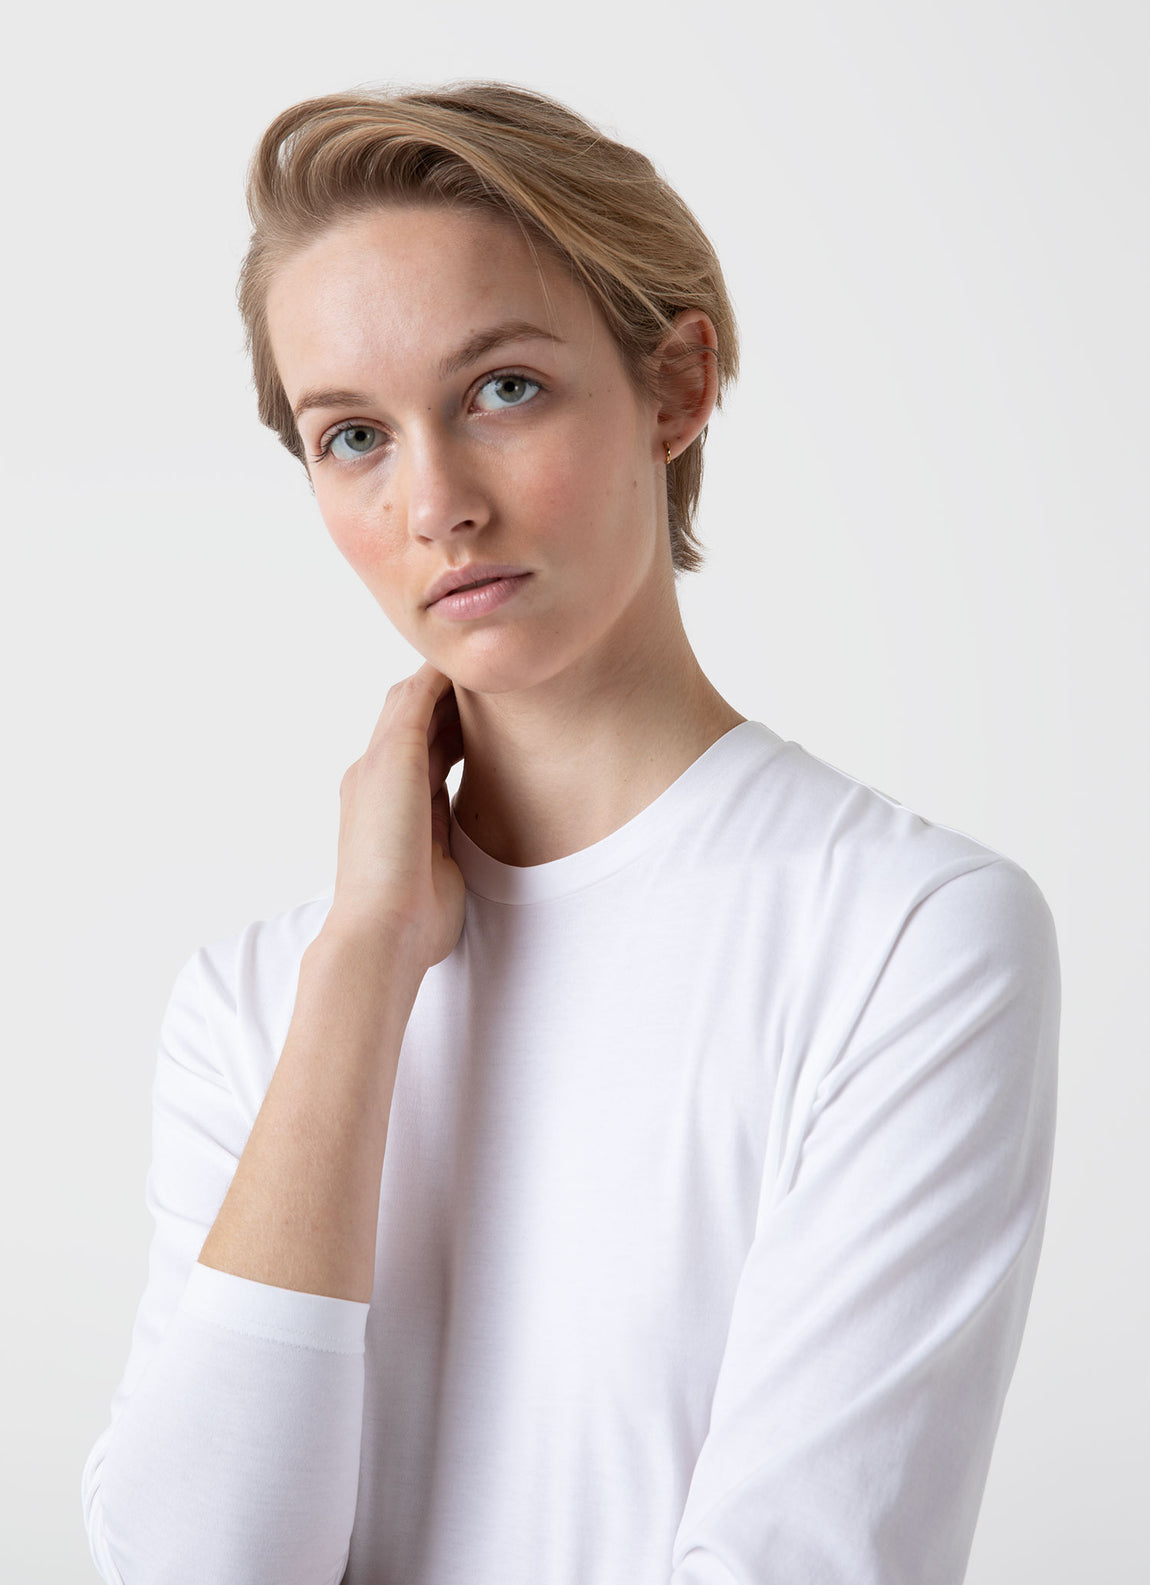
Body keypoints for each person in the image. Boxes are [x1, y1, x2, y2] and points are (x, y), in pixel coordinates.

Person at [80, 82, 1060, 1585]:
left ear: (675, 387)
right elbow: (194, 1566)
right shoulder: (256, 1004)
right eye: (354, 435)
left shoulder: (907, 935)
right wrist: (363, 966)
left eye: (502, 390)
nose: (435, 506)